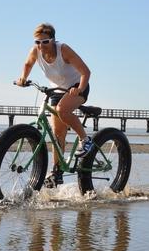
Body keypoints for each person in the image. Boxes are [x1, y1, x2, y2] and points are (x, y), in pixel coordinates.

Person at [16, 23, 93, 186]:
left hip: (77, 87)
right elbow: (28, 64)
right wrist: (22, 78)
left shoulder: (63, 49)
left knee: (62, 111)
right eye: (37, 42)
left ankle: (85, 140)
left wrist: (79, 89)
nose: (41, 46)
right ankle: (57, 172)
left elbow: (86, 72)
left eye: (45, 42)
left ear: (52, 40)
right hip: (56, 90)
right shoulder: (35, 51)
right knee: (58, 134)